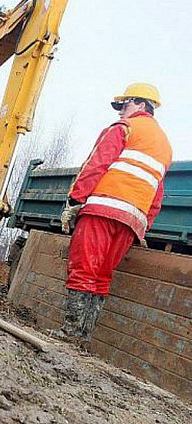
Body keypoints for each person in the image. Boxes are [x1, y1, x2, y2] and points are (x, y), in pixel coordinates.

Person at [57, 83, 172, 342]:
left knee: (84, 268)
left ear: (142, 105)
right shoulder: (164, 146)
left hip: (103, 209)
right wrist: (145, 225)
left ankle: (69, 333)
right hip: (132, 221)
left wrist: (76, 200)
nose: (120, 111)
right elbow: (157, 192)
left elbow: (97, 164)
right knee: (102, 276)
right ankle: (83, 337)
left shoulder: (125, 128)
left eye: (125, 105)